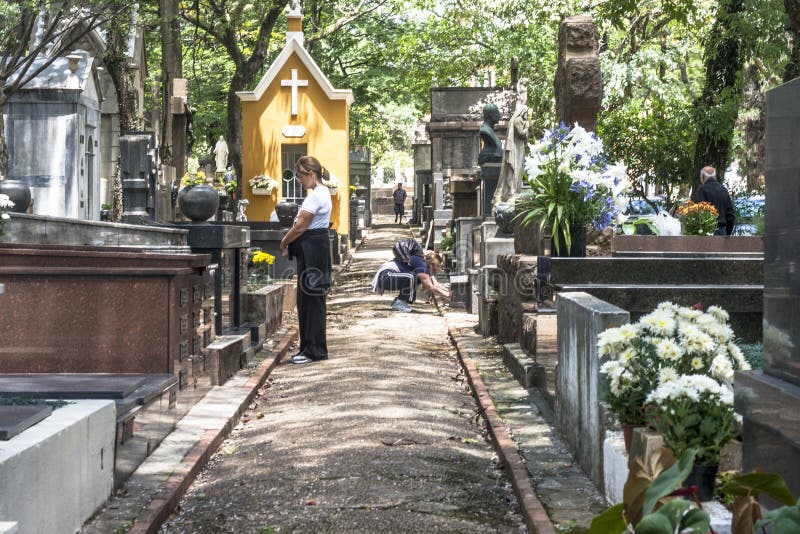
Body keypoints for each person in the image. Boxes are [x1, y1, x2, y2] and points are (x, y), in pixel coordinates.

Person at [280, 156, 332, 364]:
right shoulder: (321, 193)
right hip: (313, 249)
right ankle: (309, 348)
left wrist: (284, 242)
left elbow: (301, 226)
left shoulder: (317, 195)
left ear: (312, 174)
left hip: (313, 251)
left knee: (311, 301)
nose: (299, 180)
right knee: (308, 300)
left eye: (301, 175)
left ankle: (314, 351)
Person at [371, 249, 450, 312]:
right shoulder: (421, 264)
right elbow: (430, 286)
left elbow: (435, 283)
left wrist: (448, 292)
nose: (437, 269)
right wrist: (447, 295)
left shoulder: (423, 266)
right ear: (430, 263)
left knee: (415, 277)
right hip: (386, 276)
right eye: (436, 266)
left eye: (439, 267)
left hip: (390, 277)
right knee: (412, 277)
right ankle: (400, 302)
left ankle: (401, 302)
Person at [493, 78, 530, 213]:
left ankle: (512, 191)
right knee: (514, 170)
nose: (527, 116)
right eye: (526, 113)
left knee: (515, 170)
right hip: (515, 149)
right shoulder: (519, 120)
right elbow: (522, 133)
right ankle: (511, 192)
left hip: (517, 148)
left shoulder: (518, 117)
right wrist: (527, 127)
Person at [692, 166, 735, 235]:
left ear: (703, 177)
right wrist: (727, 233)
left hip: (706, 233)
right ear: (715, 176)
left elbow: (698, 213)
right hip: (722, 232)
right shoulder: (724, 190)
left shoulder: (702, 190)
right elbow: (731, 216)